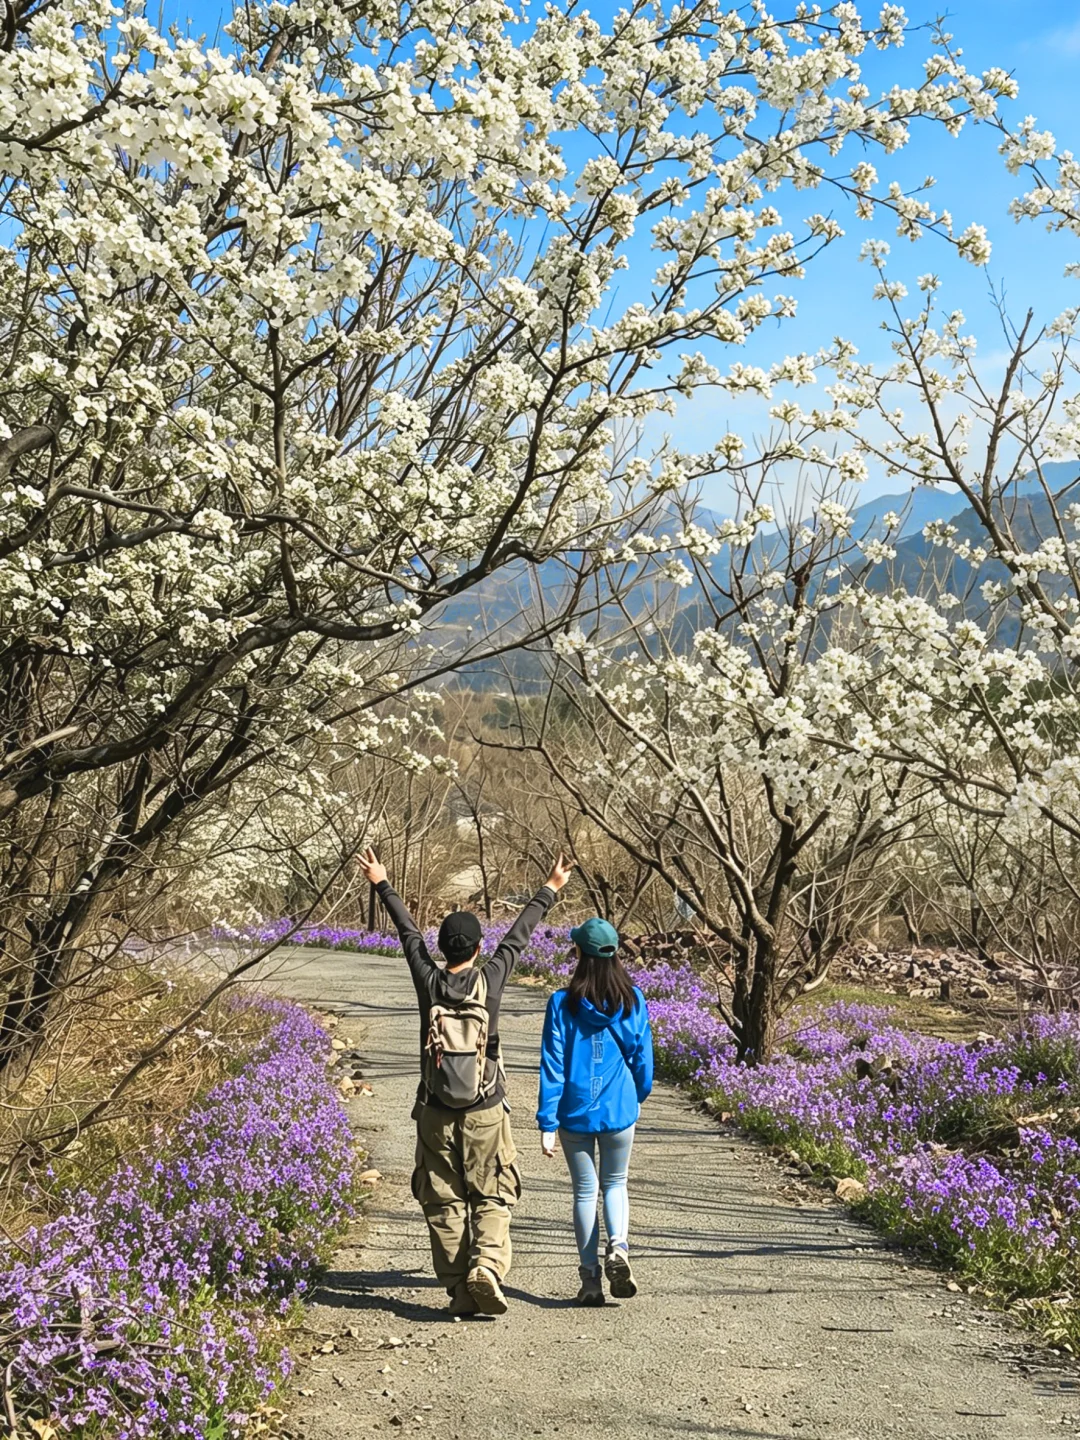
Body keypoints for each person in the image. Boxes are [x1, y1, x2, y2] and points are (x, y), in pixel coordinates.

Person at [357, 845, 575, 1318]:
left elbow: (407, 933)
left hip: (435, 1110)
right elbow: (517, 938)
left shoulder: (427, 981)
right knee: (494, 1192)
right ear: (478, 949)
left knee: (443, 1199)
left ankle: (458, 1288)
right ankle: (488, 1268)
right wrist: (549, 888)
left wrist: (382, 882)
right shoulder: (490, 979)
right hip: (485, 1108)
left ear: (441, 949)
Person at [536, 917, 654, 1306]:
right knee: (615, 1184)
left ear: (580, 954)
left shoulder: (561, 1003)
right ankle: (618, 1248)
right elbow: (642, 1059)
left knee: (585, 1192)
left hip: (574, 1113)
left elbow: (553, 1064)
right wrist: (637, 1095)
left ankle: (590, 1280)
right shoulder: (633, 1000)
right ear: (615, 953)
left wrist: (547, 1121)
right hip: (620, 1110)